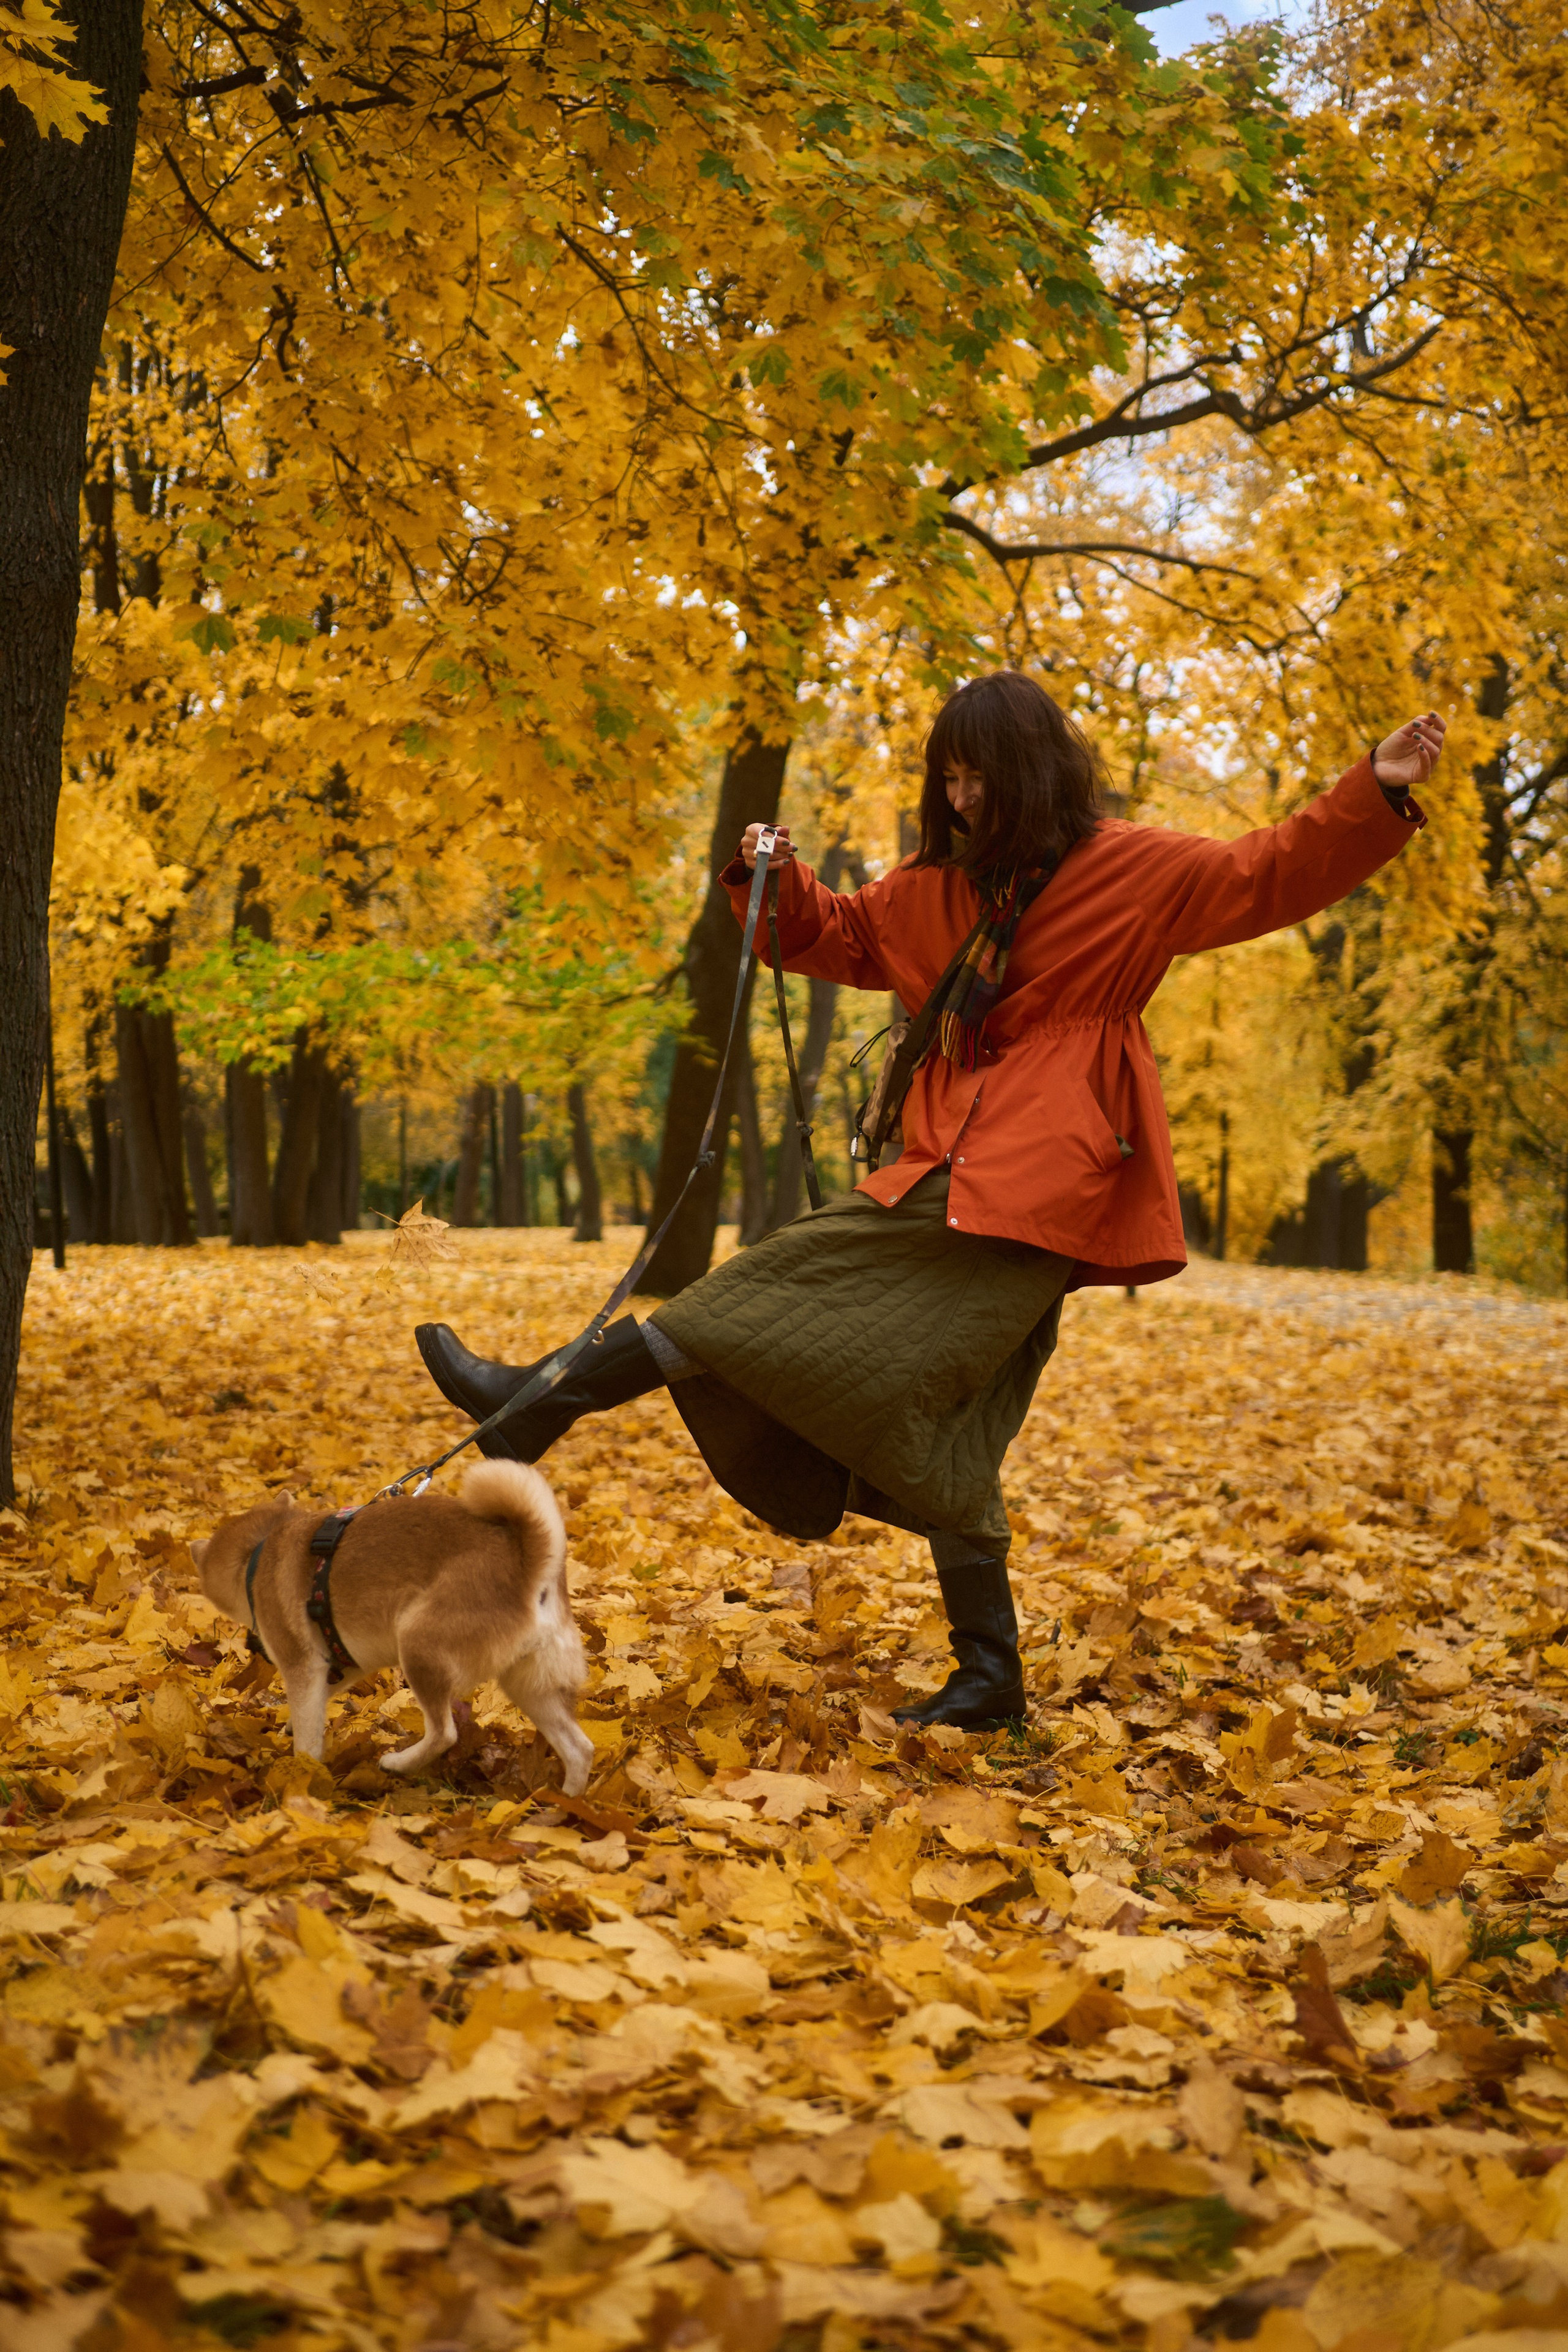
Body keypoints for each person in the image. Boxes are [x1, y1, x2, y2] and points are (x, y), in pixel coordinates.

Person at [416, 673, 1444, 1730]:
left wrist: (1372, 785)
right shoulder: (933, 887)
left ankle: (539, 1401)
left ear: (1034, 772)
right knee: (948, 1428)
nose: (960, 799)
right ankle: (991, 1679)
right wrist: (773, 877)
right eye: (946, 777)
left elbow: (1265, 869)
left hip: (1043, 1183)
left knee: (765, 1289)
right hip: (944, 1166)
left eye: (979, 777)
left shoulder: (1132, 870)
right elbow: (837, 937)